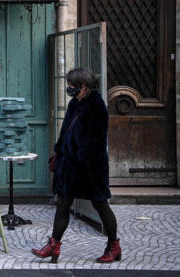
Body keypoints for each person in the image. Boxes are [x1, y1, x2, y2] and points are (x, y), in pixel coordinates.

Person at [31, 67, 120, 264]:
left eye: (71, 86)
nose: (68, 88)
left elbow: (96, 142)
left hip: (91, 169)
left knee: (100, 205)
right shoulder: (74, 104)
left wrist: (83, 161)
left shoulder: (97, 107)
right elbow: (65, 133)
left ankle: (114, 246)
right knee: (63, 204)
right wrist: (60, 152)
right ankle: (53, 246)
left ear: (84, 87)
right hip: (70, 167)